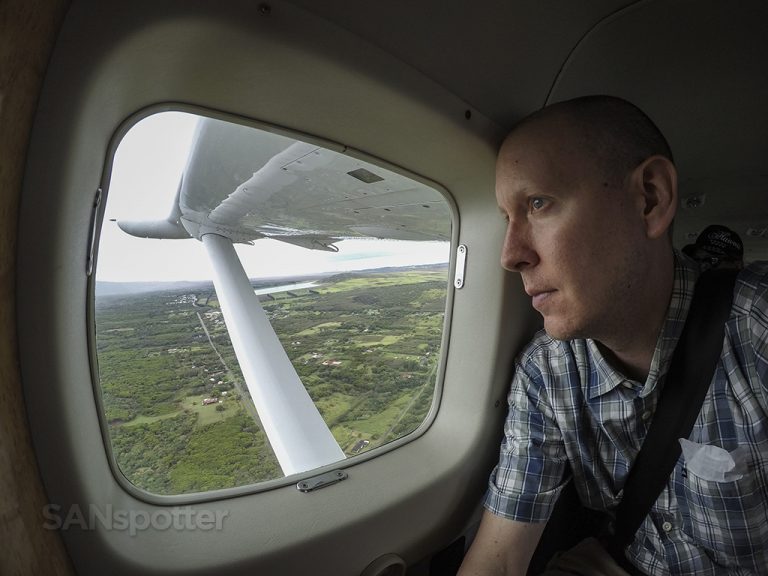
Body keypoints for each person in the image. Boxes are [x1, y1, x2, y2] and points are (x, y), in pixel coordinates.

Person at [457, 95, 768, 575]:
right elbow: (500, 557)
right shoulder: (546, 373)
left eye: (538, 204)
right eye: (506, 219)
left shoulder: (757, 328)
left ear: (649, 199)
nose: (510, 254)